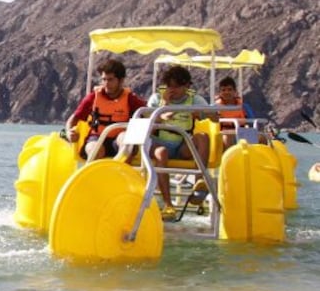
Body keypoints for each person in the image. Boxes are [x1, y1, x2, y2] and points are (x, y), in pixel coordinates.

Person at [147, 65, 211, 213]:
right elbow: (147, 122)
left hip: (182, 145)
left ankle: (198, 188)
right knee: (161, 153)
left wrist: (204, 113)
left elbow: (214, 117)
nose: (172, 90)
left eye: (177, 86)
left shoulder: (195, 100)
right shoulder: (157, 98)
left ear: (187, 86)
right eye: (169, 86)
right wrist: (163, 109)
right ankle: (168, 204)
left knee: (203, 138)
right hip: (158, 143)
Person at [65, 58, 147, 160]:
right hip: (97, 138)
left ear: (121, 80)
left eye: (110, 80)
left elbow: (146, 115)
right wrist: (69, 132)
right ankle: (97, 173)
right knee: (94, 150)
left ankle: (119, 171)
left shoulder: (131, 99)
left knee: (126, 141)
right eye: (104, 79)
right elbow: (73, 120)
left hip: (119, 139)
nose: (106, 84)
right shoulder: (93, 97)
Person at [215, 75, 256, 148]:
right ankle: (231, 158)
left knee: (262, 137)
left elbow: (252, 121)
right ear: (220, 93)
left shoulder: (244, 107)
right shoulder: (215, 107)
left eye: (229, 89)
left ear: (235, 91)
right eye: (223, 90)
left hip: (242, 132)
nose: (226, 92)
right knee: (227, 137)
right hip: (224, 133)